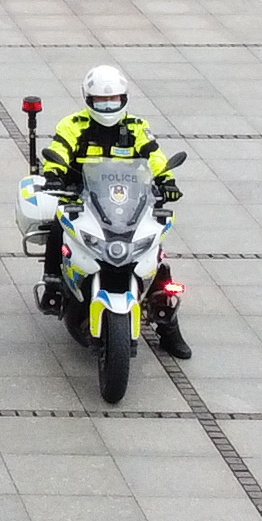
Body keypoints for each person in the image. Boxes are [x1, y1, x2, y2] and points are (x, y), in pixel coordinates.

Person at [36, 62, 188, 358]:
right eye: (101, 101)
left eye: (113, 100)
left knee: (156, 255)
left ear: (124, 99)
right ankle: (53, 282)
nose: (108, 106)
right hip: (82, 199)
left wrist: (167, 180)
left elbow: (154, 156)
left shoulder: (136, 127)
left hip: (131, 202)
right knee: (57, 226)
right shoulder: (73, 125)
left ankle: (169, 330)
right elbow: (59, 150)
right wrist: (54, 173)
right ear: (88, 100)